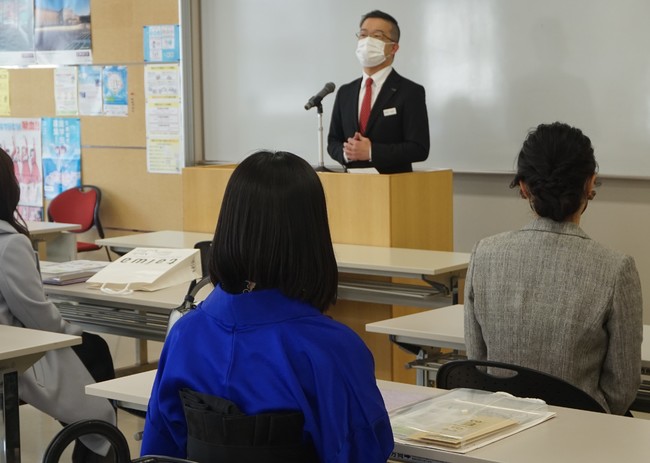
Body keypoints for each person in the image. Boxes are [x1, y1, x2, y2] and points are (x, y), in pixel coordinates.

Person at [141, 151, 393, 461]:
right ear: (312, 237)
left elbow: (158, 450)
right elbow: (364, 451)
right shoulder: (329, 349)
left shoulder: (184, 336)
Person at [464, 122, 643, 415]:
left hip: (500, 436)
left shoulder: (484, 255)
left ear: (523, 186)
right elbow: (621, 391)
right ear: (590, 183)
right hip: (583, 442)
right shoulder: (616, 269)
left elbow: (479, 365)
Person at [0, 148, 117, 461]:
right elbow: (37, 315)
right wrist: (72, 332)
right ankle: (98, 439)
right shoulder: (9, 243)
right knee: (94, 349)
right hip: (13, 356)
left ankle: (95, 438)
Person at [327, 10, 430, 174]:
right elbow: (333, 141)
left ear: (393, 48)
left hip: (393, 187)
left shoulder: (410, 92)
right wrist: (347, 153)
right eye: (363, 35)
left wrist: (371, 151)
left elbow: (419, 148)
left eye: (377, 36)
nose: (367, 41)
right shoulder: (345, 92)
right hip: (350, 186)